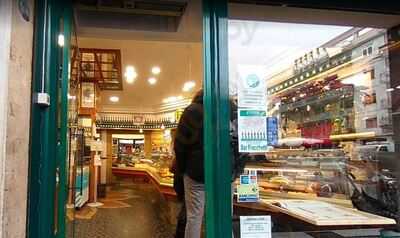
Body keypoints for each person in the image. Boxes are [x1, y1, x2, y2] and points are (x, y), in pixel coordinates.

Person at [174, 89, 204, 238]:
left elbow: (180, 145)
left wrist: (183, 169)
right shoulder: (230, 107)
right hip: (224, 175)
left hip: (195, 172)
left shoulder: (192, 111)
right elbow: (240, 146)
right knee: (224, 215)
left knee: (194, 217)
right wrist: (235, 171)